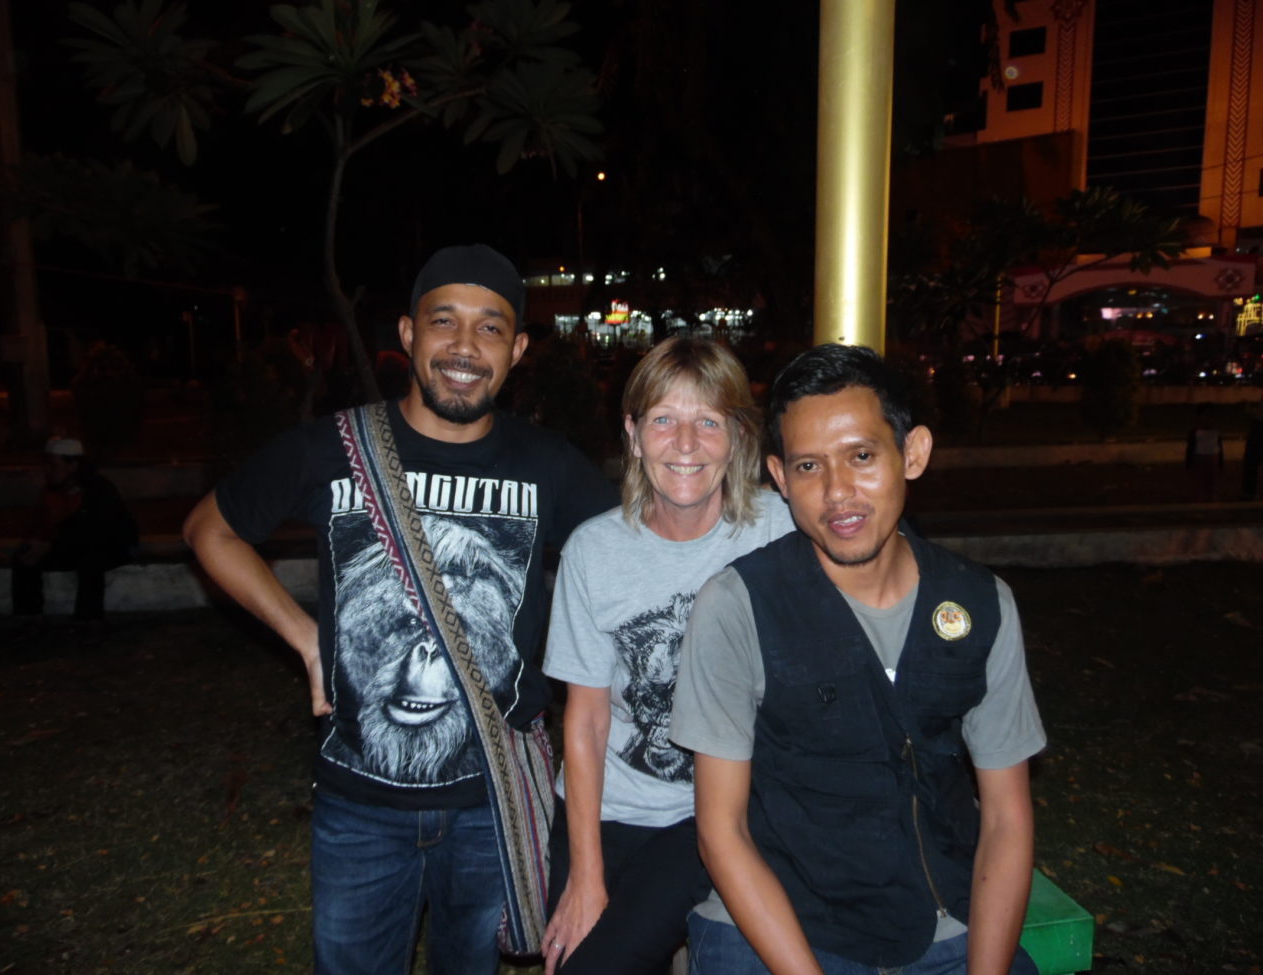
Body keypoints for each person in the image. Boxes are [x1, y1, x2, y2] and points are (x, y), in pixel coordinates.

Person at [183, 244, 616, 975]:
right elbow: (208, 530)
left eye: (489, 328)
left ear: (516, 350)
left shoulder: (549, 465)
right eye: (443, 321)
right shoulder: (332, 448)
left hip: (494, 800)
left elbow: (632, 559)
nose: (464, 347)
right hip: (360, 804)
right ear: (409, 334)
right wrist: (306, 637)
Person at [671, 344, 1046, 975]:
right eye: (810, 466)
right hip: (781, 923)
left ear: (914, 453)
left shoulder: (981, 603)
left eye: (863, 456)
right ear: (781, 478)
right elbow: (722, 832)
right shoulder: (739, 607)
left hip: (943, 920)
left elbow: (1007, 818)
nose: (839, 492)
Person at [540, 337, 795, 975]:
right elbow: (587, 718)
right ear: (632, 434)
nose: (686, 444)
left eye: (709, 421)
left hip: (711, 812)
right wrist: (586, 878)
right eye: (663, 420)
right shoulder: (593, 551)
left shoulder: (778, 530)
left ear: (738, 435)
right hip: (609, 805)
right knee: (566, 936)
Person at [12, 437, 137, 623]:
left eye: (53, 465)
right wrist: (34, 544)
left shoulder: (98, 488)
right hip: (67, 545)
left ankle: (88, 620)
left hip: (110, 546)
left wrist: (51, 544)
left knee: (91, 560)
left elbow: (95, 529)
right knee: (24, 558)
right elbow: (41, 523)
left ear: (72, 465)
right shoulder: (51, 492)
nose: (47, 471)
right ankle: (29, 616)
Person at [1185, 403, 1223, 502]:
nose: (1208, 419)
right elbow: (1190, 448)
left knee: (1212, 480)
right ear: (1199, 417)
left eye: (1211, 416)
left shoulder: (1216, 432)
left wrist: (1220, 462)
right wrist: (1189, 463)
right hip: (1199, 458)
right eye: (1205, 415)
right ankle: (1200, 499)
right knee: (1199, 480)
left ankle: (1211, 498)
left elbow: (1220, 446)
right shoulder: (1194, 432)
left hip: (1213, 458)